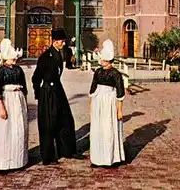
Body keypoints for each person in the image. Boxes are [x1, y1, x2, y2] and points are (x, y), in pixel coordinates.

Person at [32, 28, 86, 165]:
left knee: (66, 120)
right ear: (55, 42)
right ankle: (48, 157)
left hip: (58, 90)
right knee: (49, 124)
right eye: (62, 41)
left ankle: (68, 150)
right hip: (48, 92)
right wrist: (39, 95)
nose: (63, 44)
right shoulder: (45, 56)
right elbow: (36, 78)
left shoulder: (59, 54)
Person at [0, 38, 28, 172]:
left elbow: (24, 87)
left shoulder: (19, 70)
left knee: (17, 129)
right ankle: (3, 162)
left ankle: (17, 160)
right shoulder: (0, 72)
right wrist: (1, 108)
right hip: (7, 100)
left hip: (17, 100)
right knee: (5, 131)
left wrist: (23, 101)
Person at [89, 39, 126, 168]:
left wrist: (119, 110)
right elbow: (92, 90)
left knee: (108, 127)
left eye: (103, 60)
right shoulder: (98, 72)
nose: (101, 62)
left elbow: (120, 94)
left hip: (109, 103)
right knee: (98, 129)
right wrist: (91, 106)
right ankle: (98, 157)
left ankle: (110, 157)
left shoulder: (116, 74)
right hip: (99, 102)